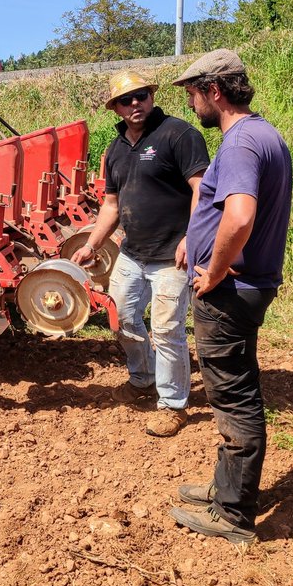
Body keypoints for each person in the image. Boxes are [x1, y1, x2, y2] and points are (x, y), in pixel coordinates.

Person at [167, 49, 293, 546]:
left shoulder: (240, 143)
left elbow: (239, 217)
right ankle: (224, 490)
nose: (191, 102)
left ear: (214, 91)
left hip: (231, 291)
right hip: (247, 286)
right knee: (233, 387)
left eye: (193, 92)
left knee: (234, 397)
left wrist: (215, 272)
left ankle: (234, 514)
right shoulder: (263, 135)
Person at [74, 71, 209, 437]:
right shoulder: (116, 149)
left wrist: (191, 238)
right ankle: (143, 377)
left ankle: (172, 404)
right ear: (115, 108)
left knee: (167, 330)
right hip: (132, 255)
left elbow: (202, 189)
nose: (135, 104)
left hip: (172, 256)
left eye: (141, 96)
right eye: (125, 100)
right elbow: (111, 204)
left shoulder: (178, 134)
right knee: (123, 319)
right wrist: (91, 244)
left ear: (151, 96)